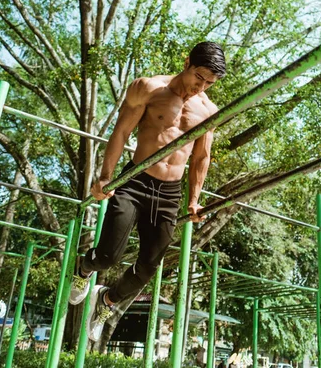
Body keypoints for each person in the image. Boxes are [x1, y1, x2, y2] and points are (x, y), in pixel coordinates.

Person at [69, 42, 226, 342]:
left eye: (209, 83)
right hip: (135, 182)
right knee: (107, 256)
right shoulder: (148, 88)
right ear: (186, 61)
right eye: (199, 76)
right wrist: (104, 178)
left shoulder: (208, 110)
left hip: (169, 194)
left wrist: (193, 200)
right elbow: (121, 132)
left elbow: (201, 157)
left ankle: (107, 301)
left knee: (147, 269)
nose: (200, 86)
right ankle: (84, 267)